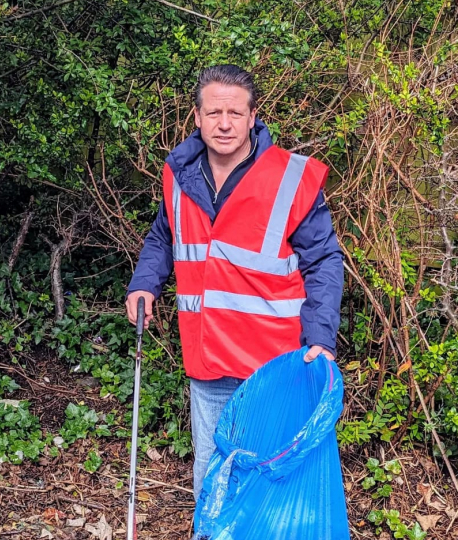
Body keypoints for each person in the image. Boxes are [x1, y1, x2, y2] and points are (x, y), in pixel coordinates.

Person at [125, 64, 343, 499]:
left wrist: (321, 336)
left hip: (275, 361)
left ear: (253, 116)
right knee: (211, 470)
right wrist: (145, 282)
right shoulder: (178, 175)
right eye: (214, 113)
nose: (224, 124)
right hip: (207, 353)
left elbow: (324, 260)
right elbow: (165, 234)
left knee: (269, 474)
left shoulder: (290, 178)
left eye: (235, 113)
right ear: (197, 117)